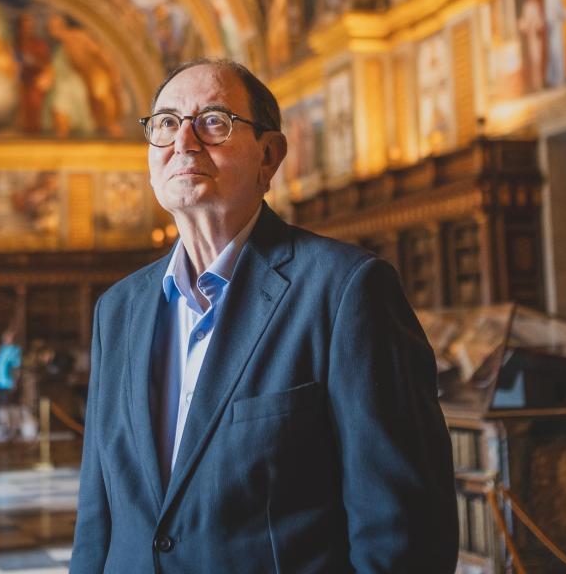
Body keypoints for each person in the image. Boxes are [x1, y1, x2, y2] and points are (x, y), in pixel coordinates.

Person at [69, 59, 458, 573]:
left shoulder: (347, 291)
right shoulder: (116, 311)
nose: (183, 142)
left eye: (212, 121)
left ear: (269, 156)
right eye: (165, 123)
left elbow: (404, 529)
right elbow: (97, 518)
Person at [0, 329, 22, 442]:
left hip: (10, 383)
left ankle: (14, 428)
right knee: (4, 406)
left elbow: (16, 368)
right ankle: (6, 426)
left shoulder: (15, 350)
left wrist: (14, 382)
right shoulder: (2, 349)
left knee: (13, 406)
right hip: (0, 383)